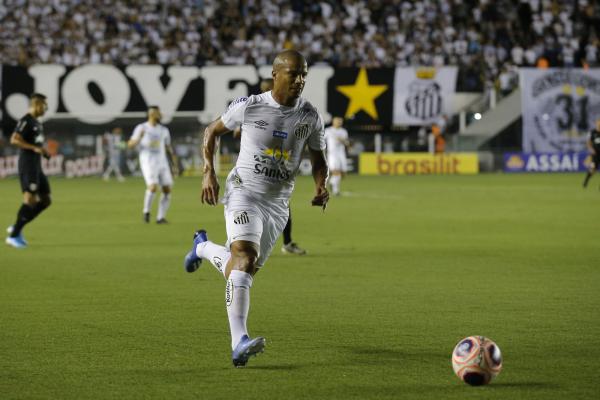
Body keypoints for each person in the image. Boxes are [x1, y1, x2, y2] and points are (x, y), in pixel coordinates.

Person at [183, 50, 329, 367]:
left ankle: (203, 247)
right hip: (243, 191)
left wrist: (321, 185)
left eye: (304, 74)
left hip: (278, 204)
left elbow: (318, 158)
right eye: (293, 73)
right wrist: (208, 171)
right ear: (276, 74)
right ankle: (239, 342)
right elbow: (211, 131)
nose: (300, 80)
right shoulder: (250, 106)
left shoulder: (310, 116)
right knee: (244, 257)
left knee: (242, 268)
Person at [234, 78, 307, 256]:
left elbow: (237, 132)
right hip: (259, 169)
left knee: (279, 205)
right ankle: (276, 243)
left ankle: (279, 242)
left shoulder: (279, 109)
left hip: (273, 168)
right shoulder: (256, 108)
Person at [5, 93, 51, 249]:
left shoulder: (37, 123)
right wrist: (34, 148)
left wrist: (43, 151)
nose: (46, 109)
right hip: (28, 164)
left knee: (46, 200)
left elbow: (36, 143)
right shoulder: (26, 121)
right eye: (44, 105)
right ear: (37, 105)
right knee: (30, 200)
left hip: (37, 166)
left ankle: (17, 226)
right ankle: (13, 236)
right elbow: (14, 139)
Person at [127, 106, 178, 223]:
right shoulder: (142, 128)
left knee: (167, 189)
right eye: (158, 112)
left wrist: (174, 164)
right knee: (153, 187)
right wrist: (139, 138)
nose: (161, 114)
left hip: (162, 162)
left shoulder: (164, 130)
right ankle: (146, 211)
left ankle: (160, 217)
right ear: (152, 114)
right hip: (148, 161)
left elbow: (168, 147)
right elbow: (130, 144)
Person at [324, 116, 349, 196]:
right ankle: (336, 190)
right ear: (333, 122)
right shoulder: (328, 130)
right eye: (337, 121)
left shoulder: (343, 131)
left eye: (340, 121)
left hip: (341, 153)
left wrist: (342, 140)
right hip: (332, 154)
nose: (339, 122)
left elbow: (347, 143)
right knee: (336, 172)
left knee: (343, 173)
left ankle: (332, 182)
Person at [583, 118, 600, 188]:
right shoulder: (593, 132)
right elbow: (588, 142)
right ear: (596, 124)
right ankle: (585, 182)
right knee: (593, 169)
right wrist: (591, 149)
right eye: (598, 123)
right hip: (595, 154)